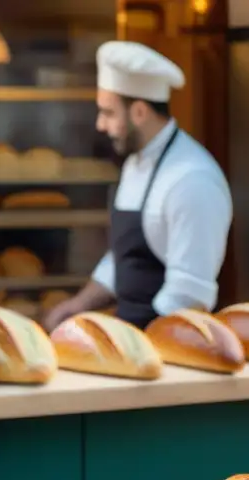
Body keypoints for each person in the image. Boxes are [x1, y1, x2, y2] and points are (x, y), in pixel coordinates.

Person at [43, 41, 232, 330]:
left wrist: (137, 342)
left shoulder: (193, 180)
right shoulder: (135, 162)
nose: (100, 125)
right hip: (130, 339)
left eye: (108, 112)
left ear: (140, 112)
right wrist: (79, 305)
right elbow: (125, 257)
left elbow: (189, 294)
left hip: (168, 348)